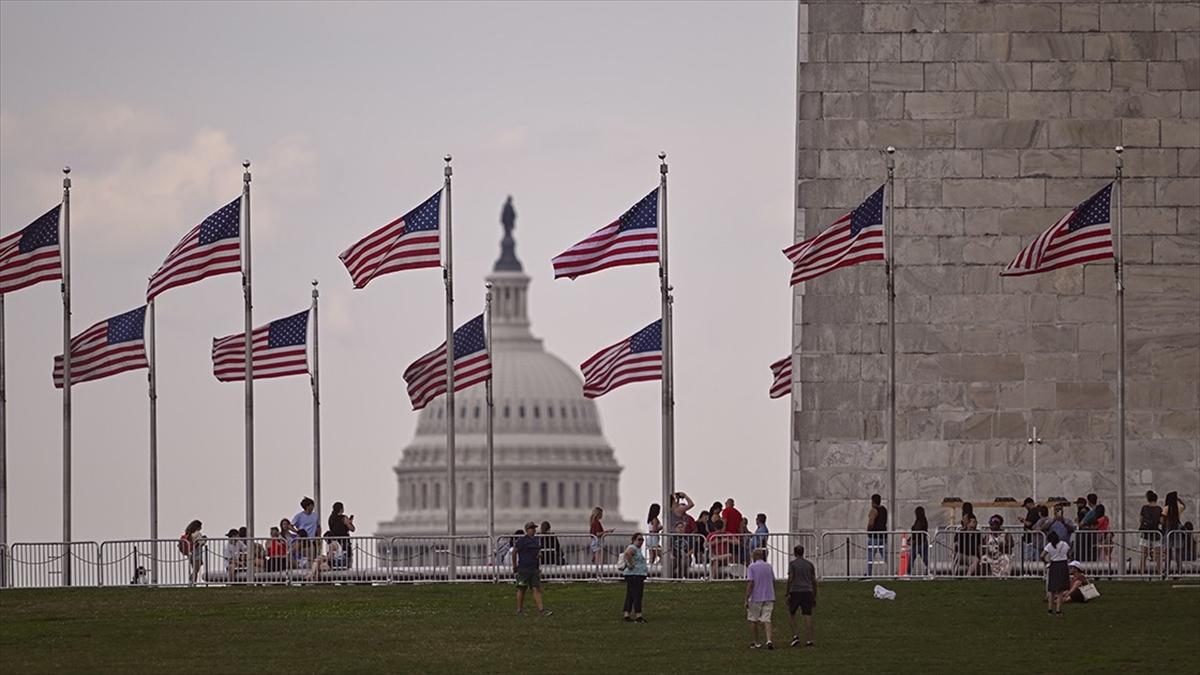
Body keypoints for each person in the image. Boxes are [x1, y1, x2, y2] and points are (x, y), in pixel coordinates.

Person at [512, 521, 552, 616]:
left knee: (536, 589)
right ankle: (519, 610)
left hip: (534, 568)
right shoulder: (521, 541)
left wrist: (539, 555)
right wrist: (514, 565)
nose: (533, 530)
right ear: (527, 530)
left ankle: (541, 610)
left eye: (534, 528)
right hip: (523, 568)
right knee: (522, 589)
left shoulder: (536, 540)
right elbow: (514, 552)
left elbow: (538, 551)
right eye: (531, 528)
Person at [745, 548, 776, 650]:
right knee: (767, 619)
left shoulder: (752, 567)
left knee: (753, 619)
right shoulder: (769, 566)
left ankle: (755, 642)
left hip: (756, 597)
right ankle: (769, 640)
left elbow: (751, 583)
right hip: (769, 596)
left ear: (754, 556)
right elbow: (772, 580)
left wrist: (746, 598)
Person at [786, 545, 817, 648]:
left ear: (795, 553)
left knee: (791, 614)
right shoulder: (809, 565)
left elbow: (791, 578)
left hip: (795, 591)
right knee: (807, 615)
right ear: (803, 552)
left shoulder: (792, 564)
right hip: (808, 591)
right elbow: (813, 580)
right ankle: (809, 639)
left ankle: (795, 635)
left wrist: (787, 592)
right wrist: (814, 594)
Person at [620, 533, 649, 622]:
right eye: (639, 539)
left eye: (642, 540)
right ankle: (638, 615)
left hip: (635, 575)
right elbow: (628, 554)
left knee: (631, 595)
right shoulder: (632, 548)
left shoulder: (637, 549)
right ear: (634, 540)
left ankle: (626, 614)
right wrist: (631, 564)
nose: (641, 542)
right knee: (637, 595)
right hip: (635, 575)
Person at [1043, 529, 1070, 614]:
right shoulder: (1064, 544)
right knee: (1060, 590)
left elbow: (1042, 555)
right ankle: (1058, 609)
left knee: (1052, 589)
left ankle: (1050, 609)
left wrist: (1046, 562)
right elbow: (1068, 553)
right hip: (1063, 565)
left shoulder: (1049, 546)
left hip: (1053, 565)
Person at [1138, 490, 1163, 574]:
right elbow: (1161, 521)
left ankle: (1142, 573)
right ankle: (1159, 573)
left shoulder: (1144, 508)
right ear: (1156, 499)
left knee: (1143, 555)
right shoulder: (1159, 509)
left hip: (1145, 534)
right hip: (1156, 534)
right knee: (1158, 556)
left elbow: (1140, 519)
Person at [1163, 491, 1187, 575]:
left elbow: (1163, 520)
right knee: (1178, 553)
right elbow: (1184, 506)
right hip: (1177, 530)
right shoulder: (1178, 507)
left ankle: (1166, 570)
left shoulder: (1166, 508)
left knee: (1168, 553)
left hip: (1169, 530)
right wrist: (1179, 499)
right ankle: (1179, 571)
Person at [326, 501, 355, 568]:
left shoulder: (331, 518)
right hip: (344, 541)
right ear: (341, 509)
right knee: (346, 559)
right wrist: (350, 523)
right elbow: (352, 529)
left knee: (334, 558)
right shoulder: (343, 517)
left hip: (334, 541)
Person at [866, 493, 888, 575]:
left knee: (870, 556)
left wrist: (868, 530)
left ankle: (869, 574)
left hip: (874, 536)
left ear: (873, 501)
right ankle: (892, 572)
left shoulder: (873, 510)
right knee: (886, 556)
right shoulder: (884, 509)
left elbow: (871, 523)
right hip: (883, 536)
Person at [180, 520, 206, 584]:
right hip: (197, 553)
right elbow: (201, 543)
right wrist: (205, 540)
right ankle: (192, 582)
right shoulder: (198, 534)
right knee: (196, 571)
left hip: (190, 553)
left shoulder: (189, 533)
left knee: (194, 570)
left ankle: (192, 582)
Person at [910, 507, 929, 576]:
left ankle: (908, 572)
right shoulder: (923, 521)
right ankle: (930, 570)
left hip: (918, 543)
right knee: (925, 559)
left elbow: (917, 534)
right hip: (922, 542)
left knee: (911, 558)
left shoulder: (919, 522)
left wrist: (913, 541)